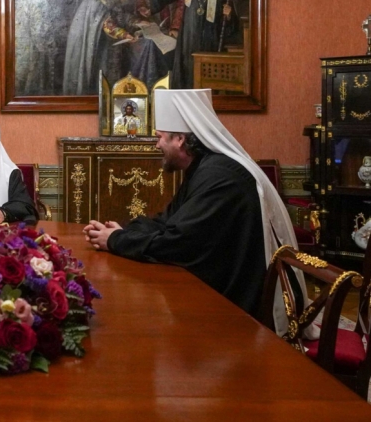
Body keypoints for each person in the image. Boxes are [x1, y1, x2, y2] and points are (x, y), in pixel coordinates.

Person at [83, 89, 306, 336]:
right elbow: (166, 222)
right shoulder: (203, 169)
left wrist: (115, 240)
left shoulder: (221, 178)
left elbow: (178, 243)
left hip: (237, 313)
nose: (157, 144)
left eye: (160, 137)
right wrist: (123, 231)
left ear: (179, 139)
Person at [149, 0, 238, 89]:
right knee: (186, 71)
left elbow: (231, 28)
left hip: (209, 44)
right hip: (188, 40)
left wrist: (229, 15)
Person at [63, 0, 137, 95]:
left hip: (116, 45)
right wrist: (125, 35)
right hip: (99, 46)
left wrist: (138, 25)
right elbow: (105, 23)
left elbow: (122, 16)